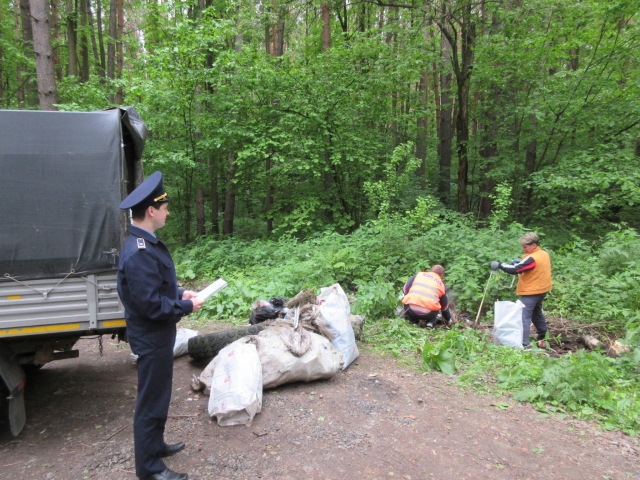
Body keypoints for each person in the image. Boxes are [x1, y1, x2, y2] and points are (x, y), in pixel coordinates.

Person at [117, 171, 204, 480]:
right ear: (151, 211)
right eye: (164, 207)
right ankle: (150, 469)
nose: (168, 212)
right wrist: (186, 306)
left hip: (157, 335)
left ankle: (155, 446)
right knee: (150, 402)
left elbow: (155, 289)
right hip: (152, 336)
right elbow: (151, 305)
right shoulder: (139, 251)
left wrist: (181, 293)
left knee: (158, 396)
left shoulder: (145, 244)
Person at [491, 232, 552, 348]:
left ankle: (524, 342)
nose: (524, 249)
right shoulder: (543, 254)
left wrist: (500, 265)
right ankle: (543, 334)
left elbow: (516, 269)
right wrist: (521, 262)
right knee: (536, 312)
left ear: (534, 245)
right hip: (542, 289)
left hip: (532, 291)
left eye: (526, 247)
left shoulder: (533, 258)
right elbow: (531, 266)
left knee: (523, 315)